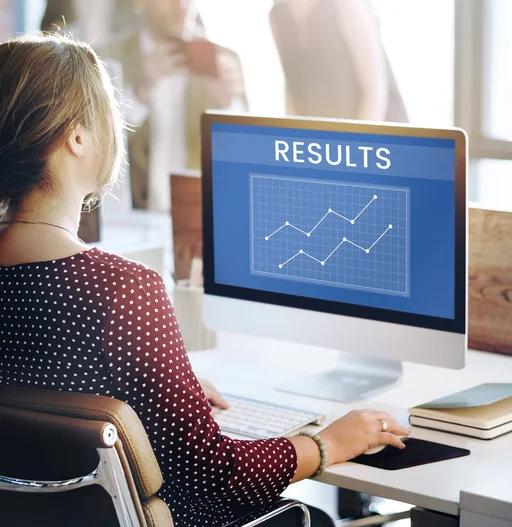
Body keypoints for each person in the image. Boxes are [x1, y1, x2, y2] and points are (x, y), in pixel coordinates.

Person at [0, 34, 410, 527]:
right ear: (77, 137)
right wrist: (327, 444)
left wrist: (162, 386)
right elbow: (213, 476)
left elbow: (43, 385)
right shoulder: (121, 291)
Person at [100, 0, 247, 212]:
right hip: (130, 216)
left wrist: (226, 105)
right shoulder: (108, 58)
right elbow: (98, 145)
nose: (181, 5)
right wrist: (140, 91)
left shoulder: (224, 59)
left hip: (199, 211)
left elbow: (241, 154)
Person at [270, 0, 408, 123]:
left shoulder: (346, 4)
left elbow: (375, 88)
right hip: (329, 132)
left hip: (377, 127)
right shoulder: (277, 16)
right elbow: (293, 85)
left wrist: (356, 142)